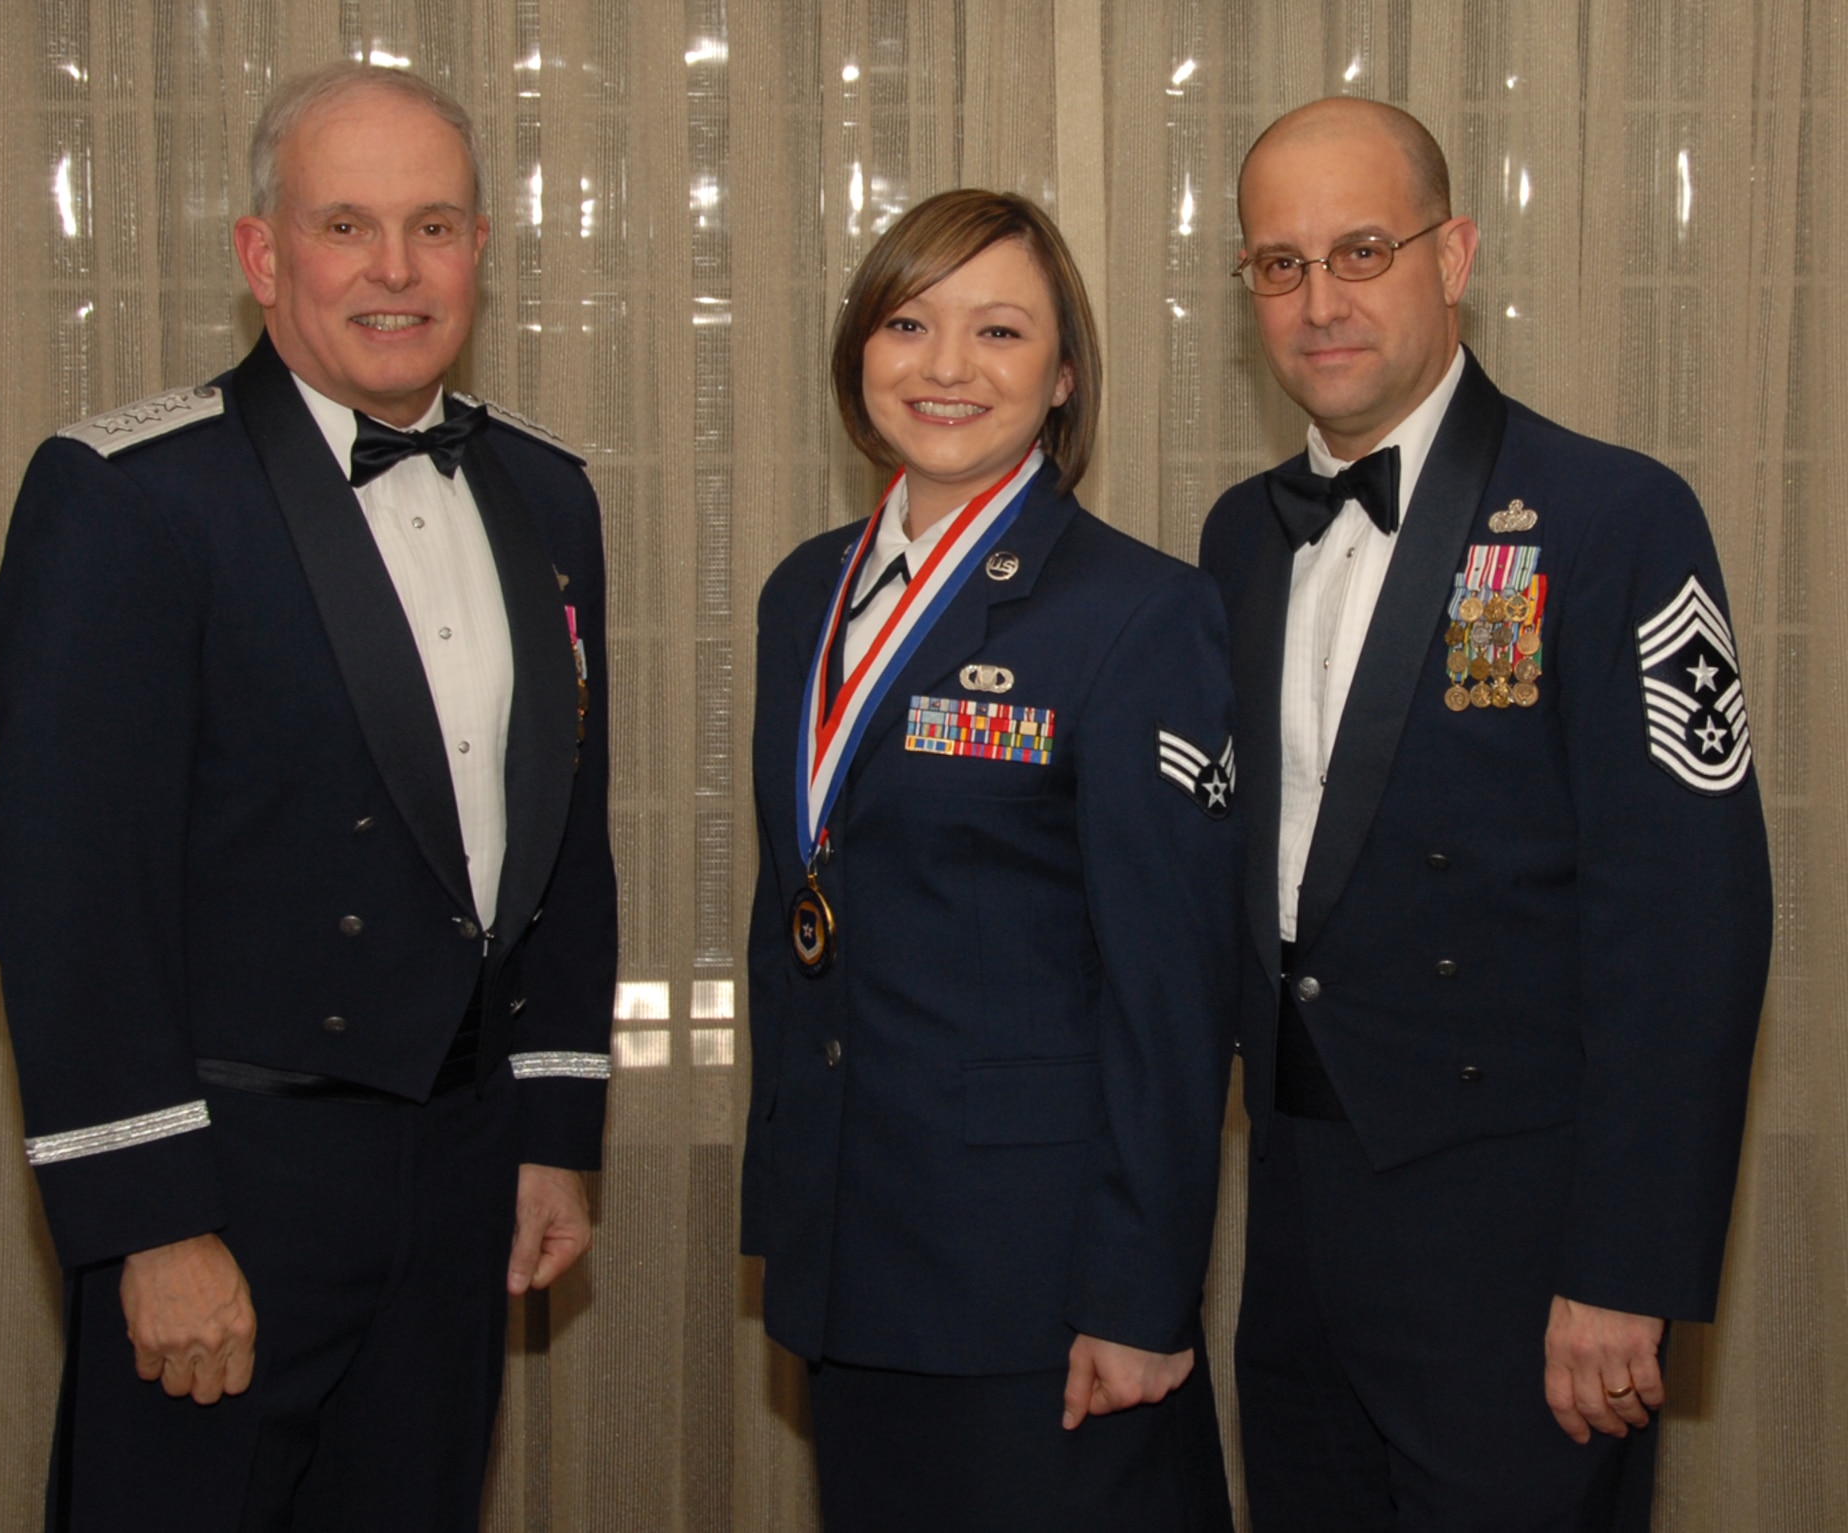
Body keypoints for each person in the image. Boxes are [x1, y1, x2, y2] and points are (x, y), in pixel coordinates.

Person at [0, 62, 616, 1532]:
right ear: (263, 256)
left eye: (435, 226)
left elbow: (564, 838)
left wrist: (550, 1131)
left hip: (460, 1174)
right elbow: (71, 889)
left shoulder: (547, 492)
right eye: (347, 225)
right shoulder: (132, 497)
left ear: (478, 252)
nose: (396, 270)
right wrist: (152, 1220)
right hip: (232, 1180)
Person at [1198, 97, 1773, 1531]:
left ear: (1453, 256)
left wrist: (1626, 1268)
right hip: (1297, 1235)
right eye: (1279, 264)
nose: (1319, 301)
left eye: (1362, 250)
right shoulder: (1236, 537)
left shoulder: (1611, 517)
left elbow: (1690, 920)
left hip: (1524, 1258)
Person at [741, 188, 1243, 1530]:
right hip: (855, 1251)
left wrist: (1142, 1295)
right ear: (860, 349)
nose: (946, 366)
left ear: (1063, 374)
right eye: (909, 321)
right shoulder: (804, 594)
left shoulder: (1136, 613)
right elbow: (794, 910)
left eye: (1001, 330)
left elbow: (1171, 994)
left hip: (1041, 1288)